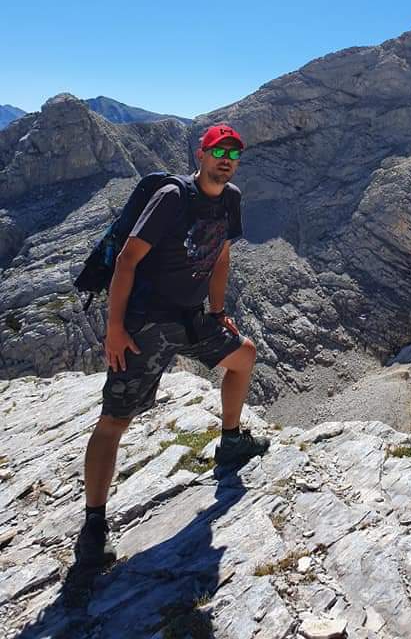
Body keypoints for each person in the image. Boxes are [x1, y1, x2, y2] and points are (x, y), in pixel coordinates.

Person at [75, 123, 269, 568]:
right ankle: (93, 524)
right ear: (200, 155)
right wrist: (115, 328)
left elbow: (221, 254)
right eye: (218, 151)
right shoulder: (172, 198)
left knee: (244, 357)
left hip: (191, 317)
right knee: (114, 422)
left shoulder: (231, 200)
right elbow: (127, 259)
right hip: (146, 321)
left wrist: (218, 312)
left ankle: (231, 441)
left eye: (233, 154)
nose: (226, 159)